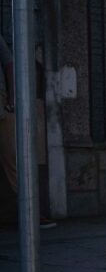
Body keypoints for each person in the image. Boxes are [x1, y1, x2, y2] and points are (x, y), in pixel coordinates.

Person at [0, 38, 54, 229]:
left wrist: (12, 99)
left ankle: (32, 214)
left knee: (14, 161)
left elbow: (9, 65)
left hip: (2, 107)